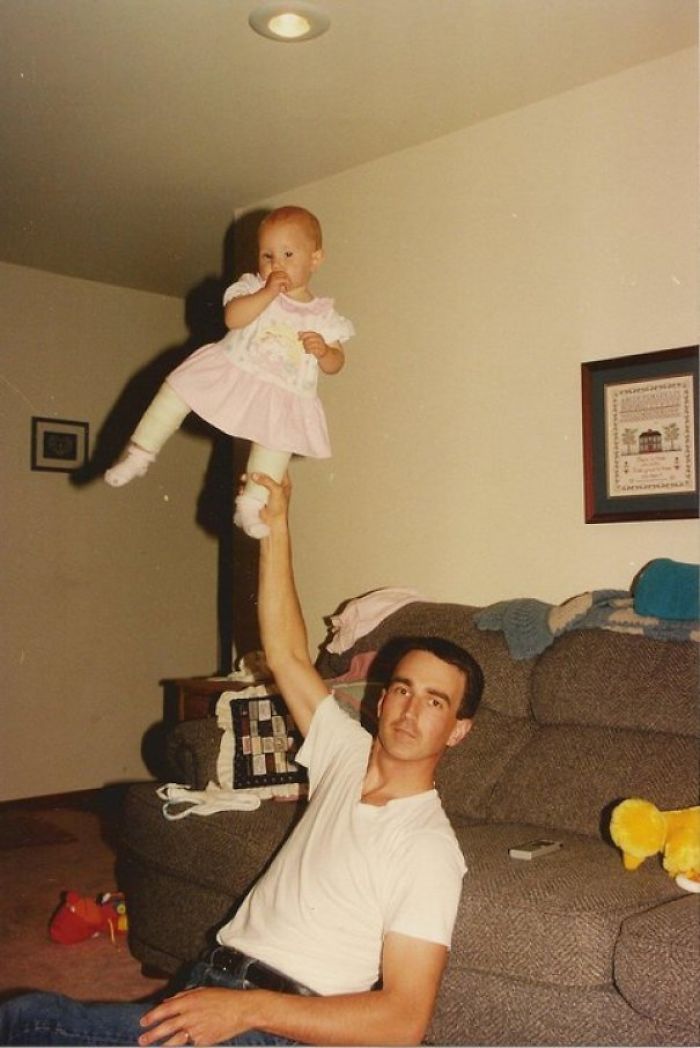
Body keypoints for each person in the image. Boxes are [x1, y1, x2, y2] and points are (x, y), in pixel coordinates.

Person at [0, 473, 484, 1047]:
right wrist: (276, 527)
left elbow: (403, 1024)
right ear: (380, 698)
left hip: (274, 1027)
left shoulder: (427, 848)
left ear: (457, 731)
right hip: (211, 983)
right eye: (403, 689)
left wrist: (246, 1012)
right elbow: (283, 652)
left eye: (435, 702)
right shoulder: (344, 752)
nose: (410, 711)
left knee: (29, 1022)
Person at [105, 206, 354, 539]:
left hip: (283, 391)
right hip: (235, 368)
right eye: (267, 256)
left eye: (288, 254)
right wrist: (266, 293)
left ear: (315, 259)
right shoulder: (252, 286)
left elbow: (338, 363)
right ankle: (140, 453)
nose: (275, 264)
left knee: (275, 443)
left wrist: (325, 351)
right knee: (177, 390)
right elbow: (233, 319)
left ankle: (251, 505)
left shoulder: (323, 316)